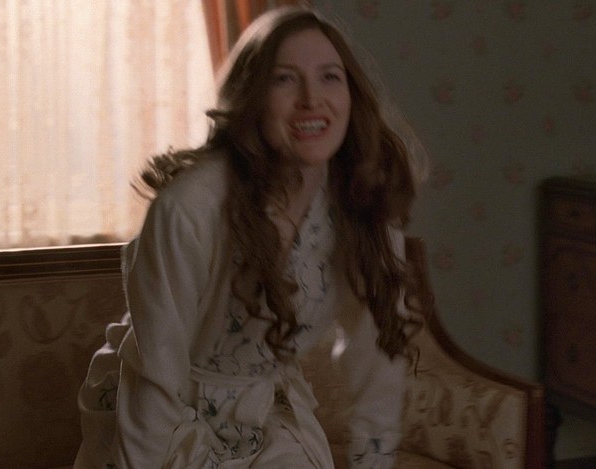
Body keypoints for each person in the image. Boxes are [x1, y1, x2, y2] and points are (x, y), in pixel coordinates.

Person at [74, 5, 426, 469]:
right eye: (285, 79)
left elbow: (376, 361)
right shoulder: (190, 208)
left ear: (351, 95)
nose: (312, 99)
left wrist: (372, 462)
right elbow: (157, 375)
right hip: (164, 415)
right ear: (252, 97)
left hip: (261, 416)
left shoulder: (363, 204)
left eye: (329, 77)